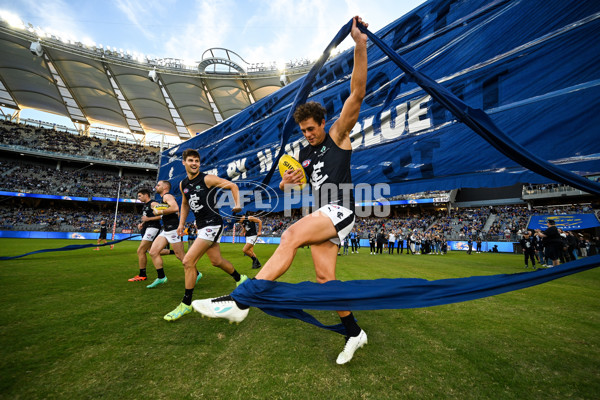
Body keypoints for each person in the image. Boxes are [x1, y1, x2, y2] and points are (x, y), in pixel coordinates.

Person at [192, 17, 369, 364]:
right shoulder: (302, 151)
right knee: (325, 281)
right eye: (303, 130)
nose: (308, 134)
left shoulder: (337, 135)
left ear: (323, 123)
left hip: (341, 210)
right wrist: (287, 183)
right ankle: (355, 333)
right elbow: (293, 187)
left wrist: (360, 45)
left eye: (311, 128)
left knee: (288, 236)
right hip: (320, 213)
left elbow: (358, 93)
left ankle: (241, 302)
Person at [163, 148, 247, 321]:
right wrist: (181, 223)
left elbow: (232, 185)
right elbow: (185, 204)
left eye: (197, 161)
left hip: (213, 224)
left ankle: (186, 304)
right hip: (201, 226)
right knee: (216, 261)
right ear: (184, 163)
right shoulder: (183, 184)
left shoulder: (207, 178)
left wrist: (237, 204)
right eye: (191, 160)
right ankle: (240, 278)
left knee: (188, 261)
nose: (194, 163)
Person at [146, 180, 187, 288]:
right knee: (153, 252)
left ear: (164, 187)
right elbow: (175, 212)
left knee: (180, 256)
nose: (156, 186)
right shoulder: (164, 199)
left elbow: (175, 208)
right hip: (166, 230)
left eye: (158, 185)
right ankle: (161, 277)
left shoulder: (167, 196)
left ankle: (196, 274)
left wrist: (160, 211)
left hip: (173, 229)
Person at [128, 188, 162, 282]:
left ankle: (142, 275)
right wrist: (142, 223)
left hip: (153, 227)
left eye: (140, 196)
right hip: (147, 227)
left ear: (146, 195)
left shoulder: (153, 203)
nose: (138, 198)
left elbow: (163, 215)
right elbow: (146, 217)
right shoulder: (145, 205)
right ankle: (174, 252)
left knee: (140, 250)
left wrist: (148, 220)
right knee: (152, 251)